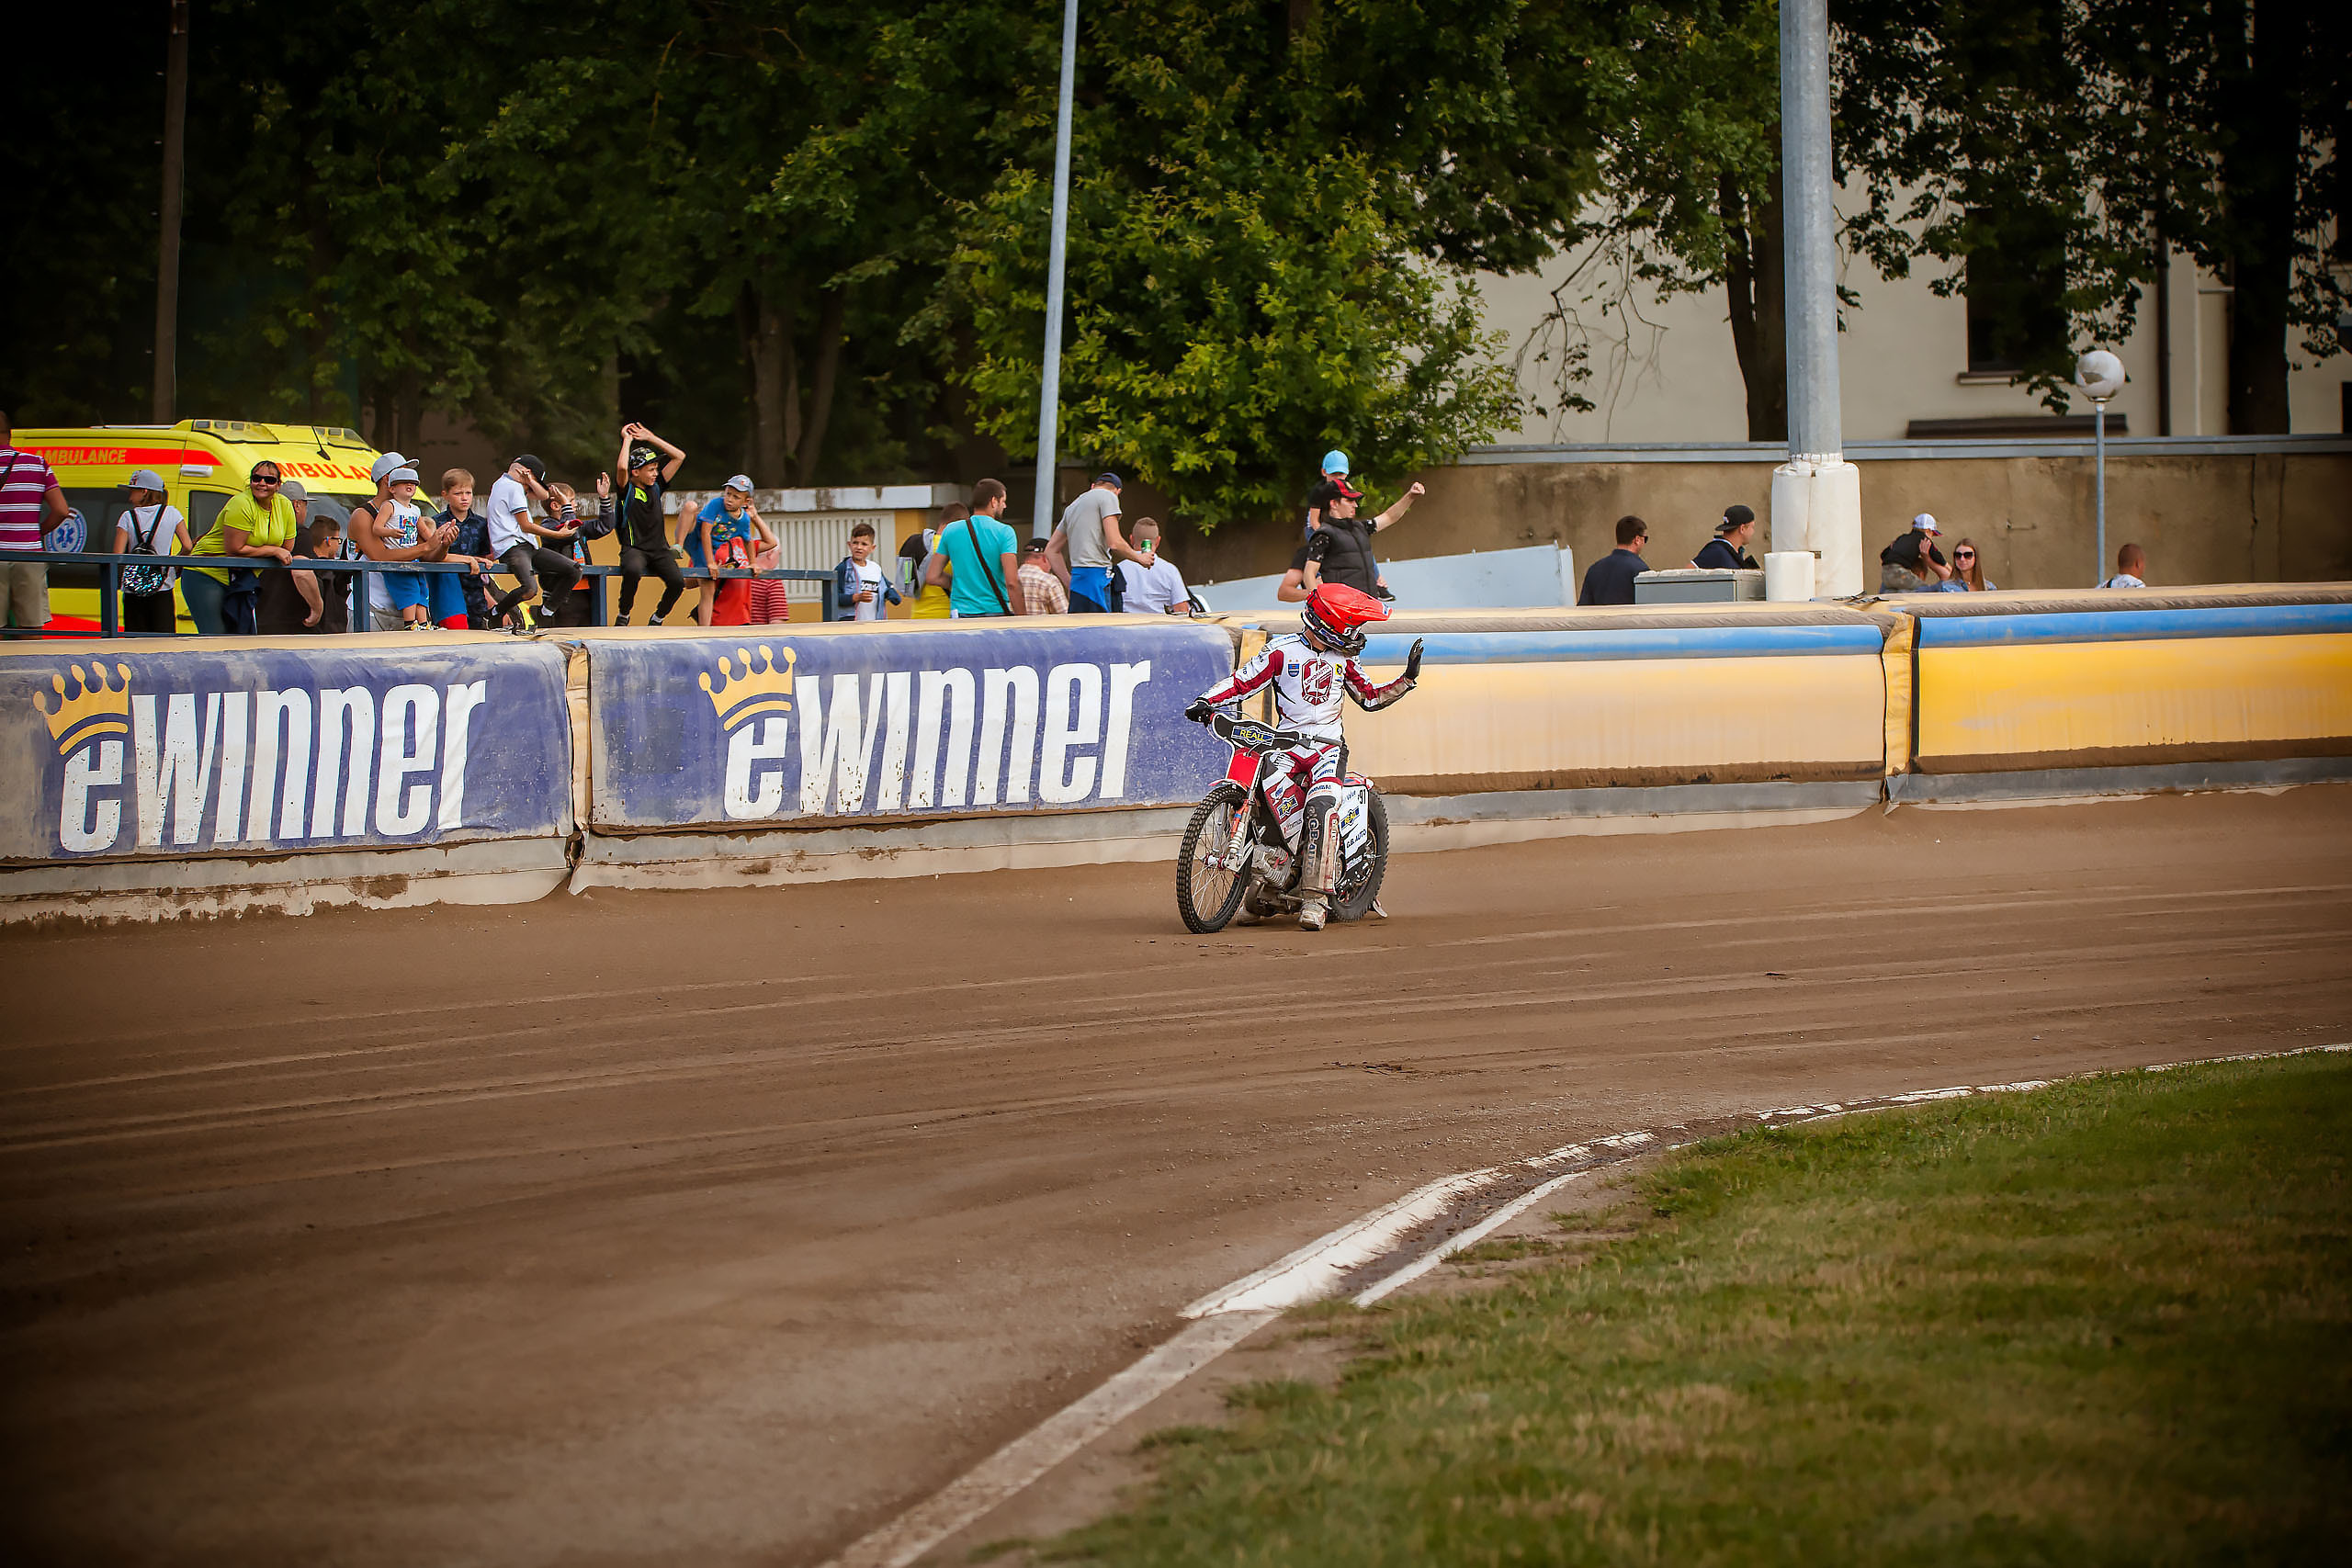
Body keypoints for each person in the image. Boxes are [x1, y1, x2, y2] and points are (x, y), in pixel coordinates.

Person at [1185, 582, 1423, 931]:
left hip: (1328, 748)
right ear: (1331, 624)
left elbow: (1370, 698)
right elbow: (1241, 682)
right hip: (1286, 744)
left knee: (1320, 807)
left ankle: (1316, 898)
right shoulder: (1281, 652)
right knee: (1264, 796)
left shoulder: (1346, 660)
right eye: (1351, 628)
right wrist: (1206, 701)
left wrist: (1407, 679)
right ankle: (1266, 882)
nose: (1356, 635)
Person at [186, 459, 300, 635]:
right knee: (215, 635)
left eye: (269, 480)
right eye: (256, 478)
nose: (262, 483)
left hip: (243, 578)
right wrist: (272, 550)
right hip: (207, 571)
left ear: (278, 485)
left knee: (242, 637)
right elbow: (235, 549)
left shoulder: (284, 505)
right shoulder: (240, 503)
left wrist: (275, 551)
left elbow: (287, 547)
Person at [486, 455, 580, 631]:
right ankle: (495, 613)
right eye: (531, 482)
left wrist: (531, 479)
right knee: (530, 589)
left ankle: (545, 612)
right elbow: (526, 526)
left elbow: (543, 495)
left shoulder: (502, 483)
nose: (531, 488)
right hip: (512, 547)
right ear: (525, 473)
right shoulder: (512, 487)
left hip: (527, 546)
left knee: (574, 569)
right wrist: (558, 534)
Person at [0, 411, 68, 638]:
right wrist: (35, 533)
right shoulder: (37, 464)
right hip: (29, 555)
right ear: (10, 435)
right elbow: (61, 510)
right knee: (30, 631)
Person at [611, 423, 686, 625]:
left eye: (656, 469)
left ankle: (657, 618)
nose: (655, 473)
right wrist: (627, 439)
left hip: (659, 550)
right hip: (635, 548)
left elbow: (679, 456)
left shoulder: (657, 486)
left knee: (677, 583)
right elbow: (621, 467)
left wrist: (650, 436)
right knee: (633, 570)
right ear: (636, 472)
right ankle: (624, 614)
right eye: (651, 469)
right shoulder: (626, 490)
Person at [1301, 481, 1425, 599]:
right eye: (1349, 500)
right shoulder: (1324, 535)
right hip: (1341, 609)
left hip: (1364, 606)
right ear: (1334, 504)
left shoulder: (1361, 528)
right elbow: (1309, 573)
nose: (1355, 504)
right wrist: (1317, 603)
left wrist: (1410, 496)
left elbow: (1389, 517)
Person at [1046, 472, 1148, 613]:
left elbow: (1051, 550)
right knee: (1101, 632)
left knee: (1079, 631)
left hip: (1078, 582)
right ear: (1118, 491)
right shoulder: (1108, 496)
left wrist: (1069, 582)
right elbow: (1114, 542)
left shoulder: (1073, 506)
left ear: (1093, 486)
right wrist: (1140, 558)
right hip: (1096, 579)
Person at [925, 478, 1023, 617]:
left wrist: (959, 584)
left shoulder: (951, 530)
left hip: (960, 613)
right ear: (994, 501)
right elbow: (1012, 583)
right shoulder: (1005, 532)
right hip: (994, 612)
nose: (1005, 506)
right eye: (1003, 501)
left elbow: (932, 577)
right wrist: (1023, 618)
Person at [111, 469, 190, 636]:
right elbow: (188, 546)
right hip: (163, 587)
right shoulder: (172, 513)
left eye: (133, 491)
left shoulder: (127, 517)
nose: (130, 496)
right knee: (163, 642)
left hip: (134, 590)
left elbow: (117, 555)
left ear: (144, 492)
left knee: (135, 643)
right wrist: (175, 567)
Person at [1302, 451, 1391, 597]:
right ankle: (1318, 578)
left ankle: (1377, 580)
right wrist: (1331, 535)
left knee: (1360, 545)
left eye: (1341, 475)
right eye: (1334, 474)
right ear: (1324, 472)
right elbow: (1314, 521)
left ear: (1347, 473)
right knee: (1318, 550)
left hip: (1336, 525)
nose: (1338, 478)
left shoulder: (1346, 487)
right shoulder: (1319, 492)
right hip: (1317, 527)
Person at [698, 477, 775, 626]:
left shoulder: (742, 543)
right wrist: (715, 570)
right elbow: (689, 582)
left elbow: (771, 542)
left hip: (744, 620)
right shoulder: (710, 546)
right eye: (728, 494)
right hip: (718, 620)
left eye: (736, 497)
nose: (730, 500)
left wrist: (754, 517)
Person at [435, 468, 500, 628]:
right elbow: (433, 556)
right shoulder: (437, 522)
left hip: (475, 591)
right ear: (445, 495)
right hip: (447, 590)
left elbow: (487, 556)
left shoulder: (481, 524)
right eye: (458, 494)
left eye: (468, 493)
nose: (464, 498)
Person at [258, 516, 345, 634]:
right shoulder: (300, 535)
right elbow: (301, 574)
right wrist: (317, 608)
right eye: (338, 540)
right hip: (300, 629)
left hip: (265, 622)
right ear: (329, 540)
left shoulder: (269, 540)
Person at [1118, 517, 1191, 614]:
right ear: (1158, 541)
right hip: (1160, 626)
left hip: (1125, 626)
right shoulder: (1170, 570)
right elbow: (1181, 610)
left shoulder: (1119, 569)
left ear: (1131, 539)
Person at [901, 502, 961, 619]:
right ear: (957, 524)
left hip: (917, 617)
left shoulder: (920, 544)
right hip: (945, 618)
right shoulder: (953, 547)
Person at [832, 521, 902, 621]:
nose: (859, 547)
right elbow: (832, 597)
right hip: (851, 625)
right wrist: (856, 597)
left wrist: (892, 594)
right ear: (849, 544)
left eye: (864, 544)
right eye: (855, 543)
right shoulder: (843, 568)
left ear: (872, 548)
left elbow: (885, 587)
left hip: (875, 624)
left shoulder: (875, 568)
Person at [1578, 515, 1651, 606]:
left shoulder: (1594, 569)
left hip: (1600, 620)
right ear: (1637, 540)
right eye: (1645, 539)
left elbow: (1583, 609)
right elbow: (1648, 609)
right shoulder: (1640, 570)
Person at [1690, 503, 1760, 570]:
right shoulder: (1716, 551)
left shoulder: (1734, 552)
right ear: (1742, 528)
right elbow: (1685, 575)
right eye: (1752, 527)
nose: (1753, 531)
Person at [1018, 538, 1068, 615]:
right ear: (1045, 558)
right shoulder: (1049, 581)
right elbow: (1064, 614)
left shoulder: (1009, 579)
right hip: (1041, 626)